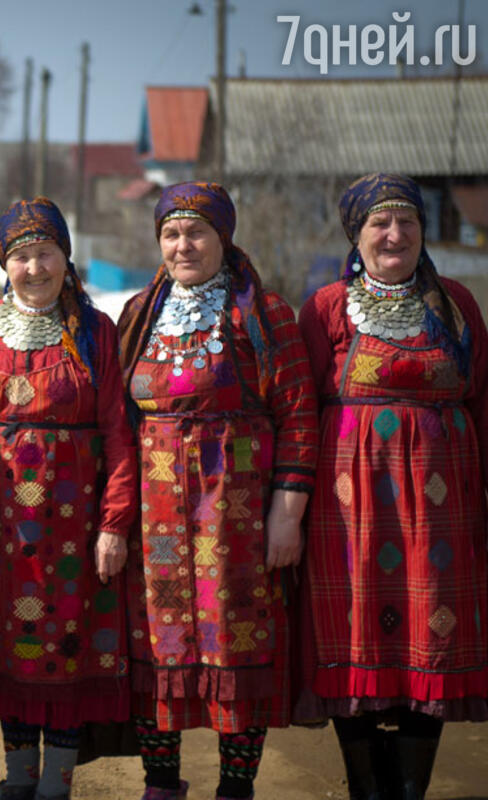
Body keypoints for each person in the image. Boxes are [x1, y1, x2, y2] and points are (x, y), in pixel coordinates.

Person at [117, 182, 318, 800]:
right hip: (154, 518)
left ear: (223, 238)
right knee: (156, 640)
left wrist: (286, 514)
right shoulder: (138, 313)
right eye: (171, 235)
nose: (183, 246)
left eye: (196, 232)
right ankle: (161, 785)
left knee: (239, 638)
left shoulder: (263, 313)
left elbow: (300, 416)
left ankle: (235, 787)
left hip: (235, 514)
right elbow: (117, 420)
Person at [295, 173, 488, 800]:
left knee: (428, 636)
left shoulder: (457, 305)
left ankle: (408, 791)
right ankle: (365, 791)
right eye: (381, 223)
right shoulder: (325, 308)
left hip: (442, 513)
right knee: (353, 636)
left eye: (408, 222)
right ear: (357, 234)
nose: (395, 234)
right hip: (348, 511)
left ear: (423, 232)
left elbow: (483, 401)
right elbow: (299, 410)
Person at [0, 197, 137, 800]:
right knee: (8, 645)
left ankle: (57, 781)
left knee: (68, 647)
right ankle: (18, 775)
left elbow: (118, 433)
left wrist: (114, 524)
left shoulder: (96, 329)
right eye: (21, 256)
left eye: (46, 252)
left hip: (73, 524)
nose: (35, 267)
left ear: (65, 256)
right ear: (5, 262)